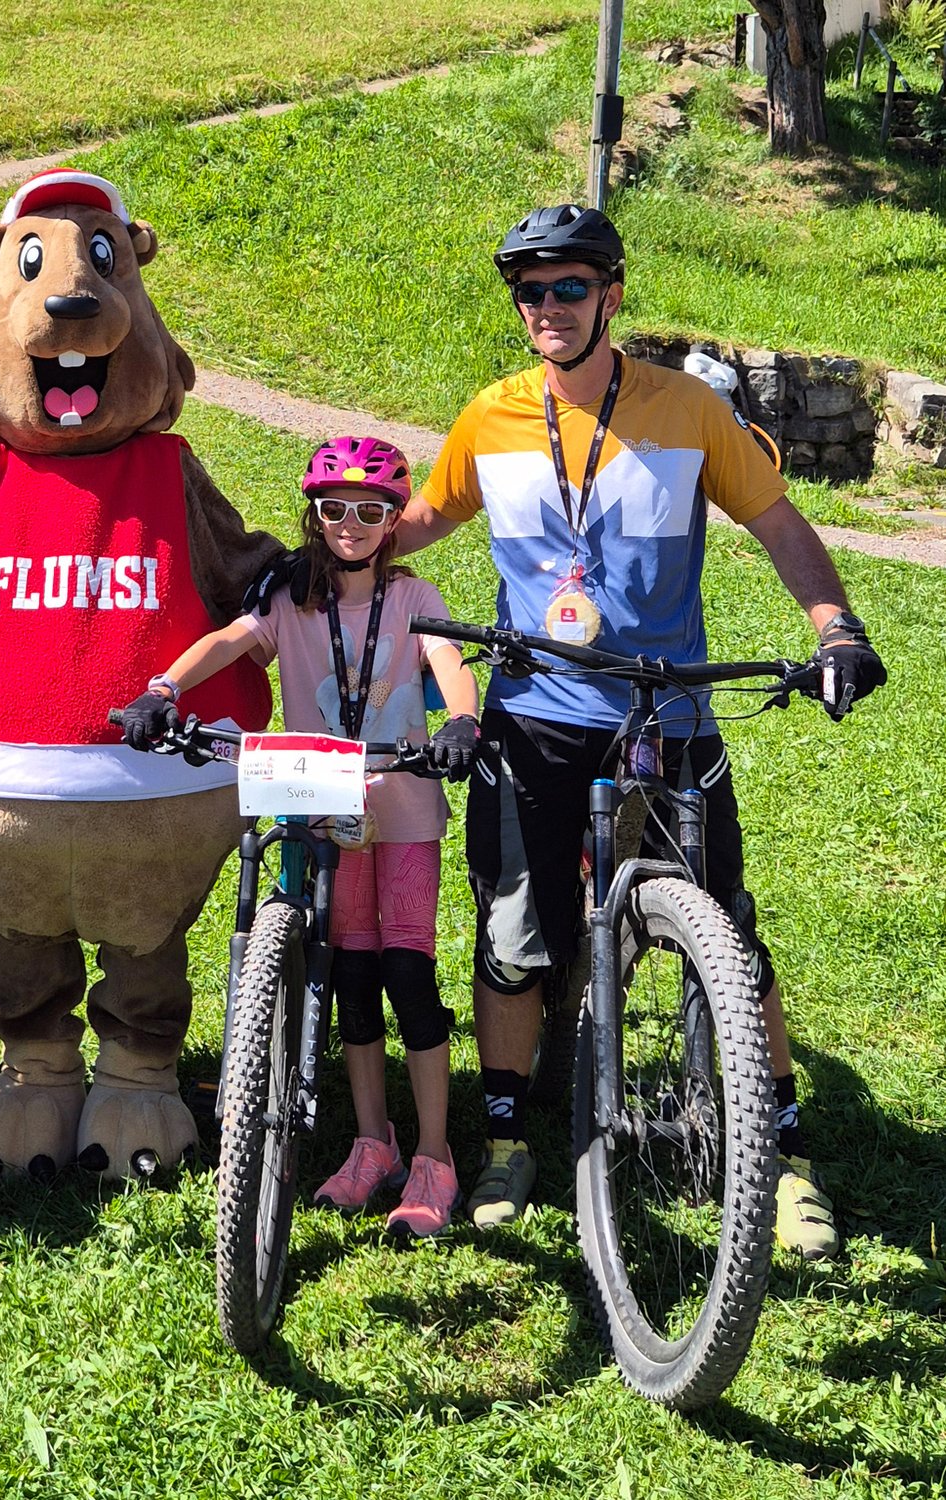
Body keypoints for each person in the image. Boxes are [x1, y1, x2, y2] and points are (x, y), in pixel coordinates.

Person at [394, 203, 887, 1258]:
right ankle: (504, 1140)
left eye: (569, 288)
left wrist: (835, 628)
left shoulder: (687, 410)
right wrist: (323, 556)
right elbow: (424, 518)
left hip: (665, 711)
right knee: (514, 937)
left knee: (730, 936)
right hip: (533, 715)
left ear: (611, 296)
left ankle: (786, 1157)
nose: (548, 308)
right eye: (530, 292)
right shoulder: (489, 416)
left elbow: (776, 522)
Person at [123, 437, 482, 1237]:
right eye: (334, 509)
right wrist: (163, 689)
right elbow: (230, 641)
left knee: (407, 972)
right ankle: (372, 1142)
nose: (351, 524)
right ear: (314, 516)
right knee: (349, 973)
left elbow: (449, 660)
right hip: (323, 808)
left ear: (393, 522)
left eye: (371, 512)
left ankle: (435, 1155)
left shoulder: (413, 595)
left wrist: (463, 719)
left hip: (403, 810)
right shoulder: (290, 598)